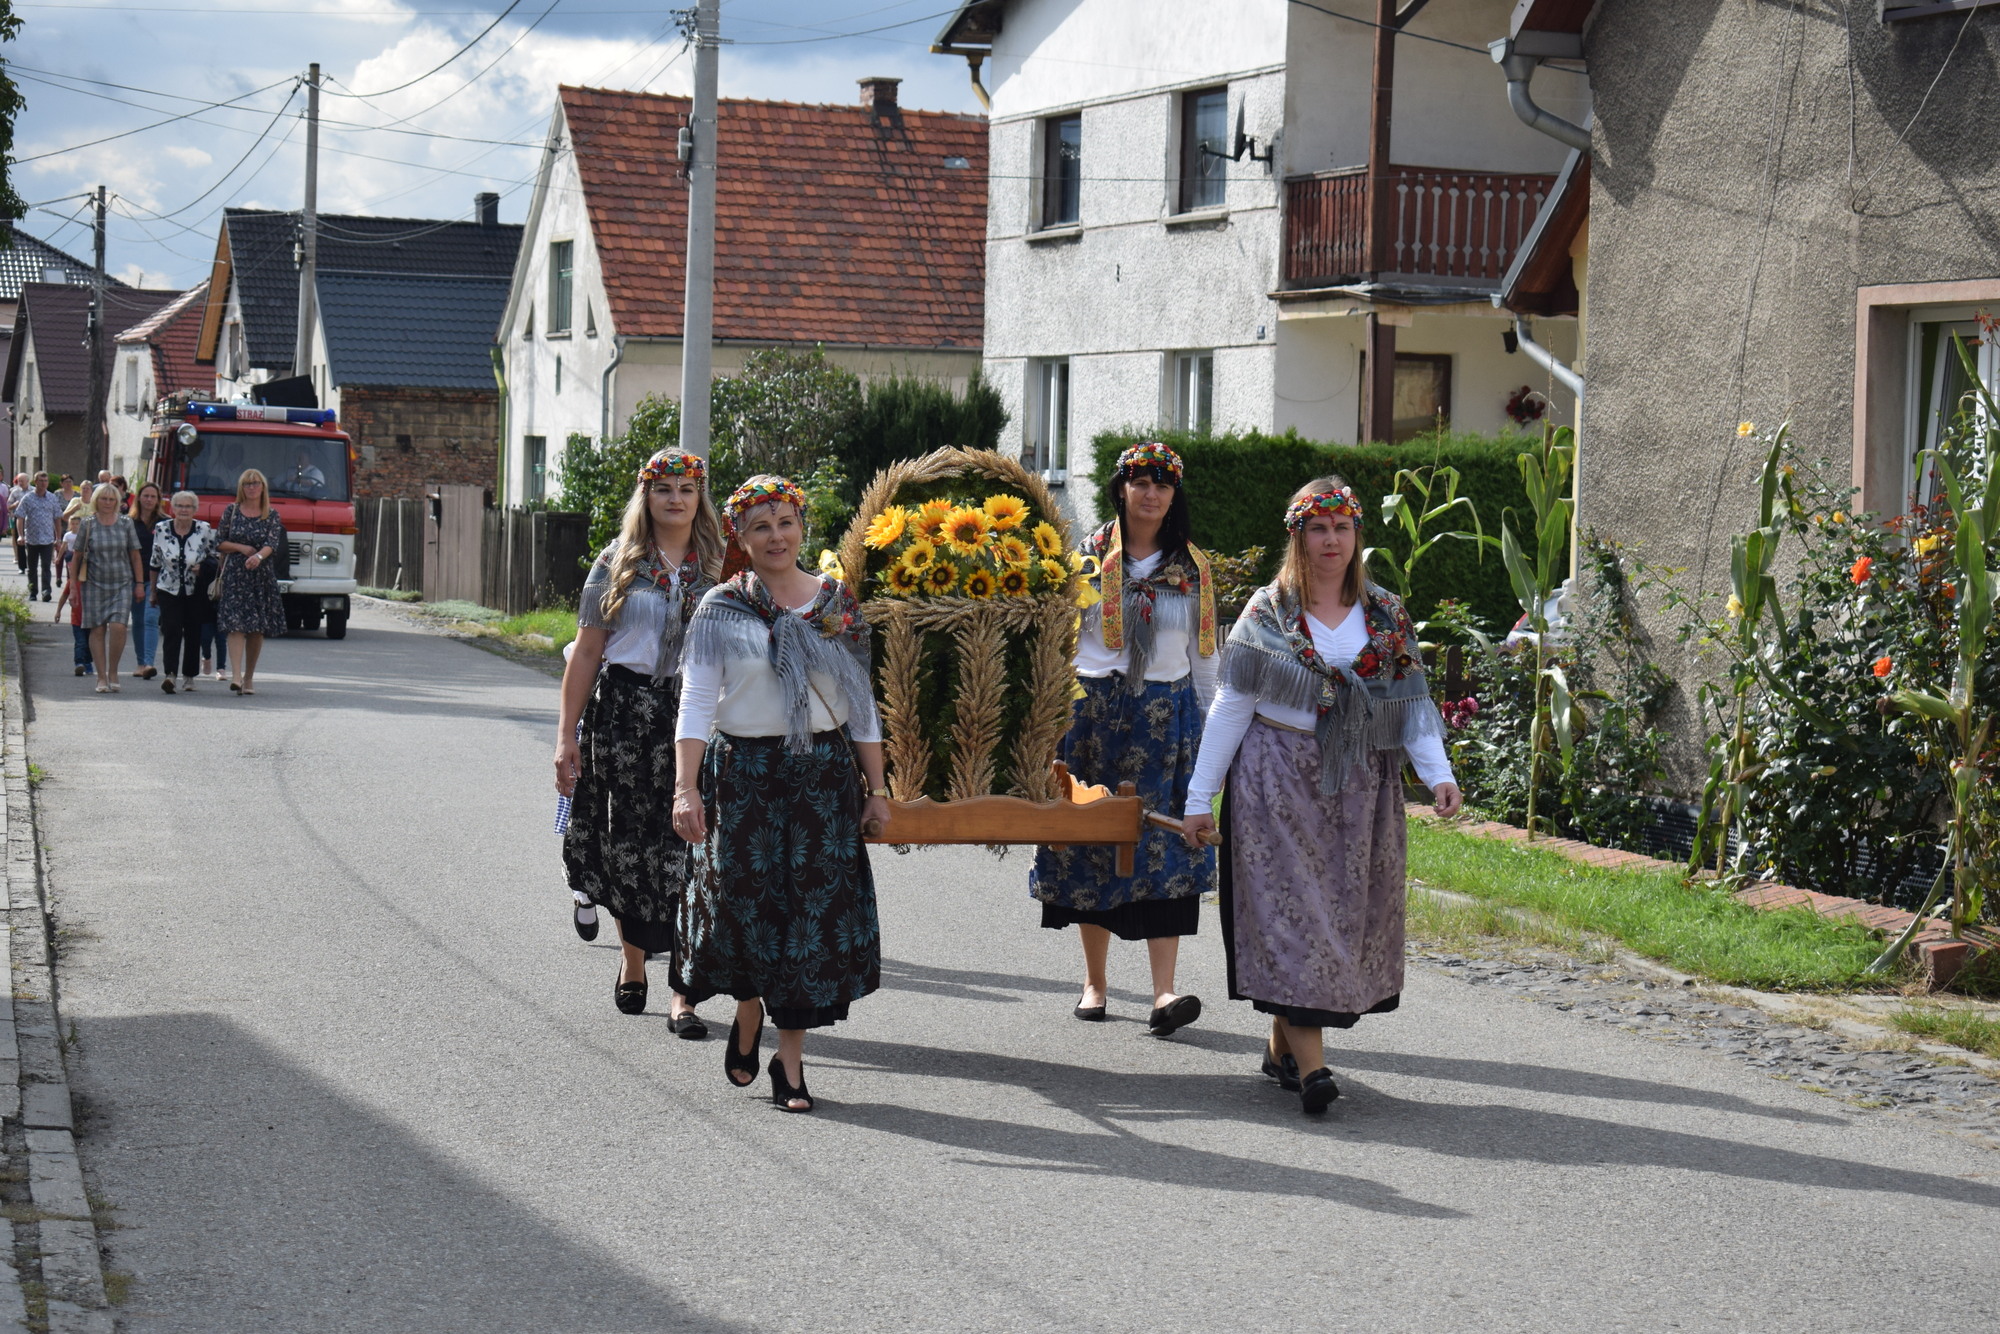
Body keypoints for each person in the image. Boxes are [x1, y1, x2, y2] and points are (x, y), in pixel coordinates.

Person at [1180, 479, 1463, 1115]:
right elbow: (1231, 707)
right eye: (1318, 528)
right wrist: (1202, 796)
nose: (1331, 540)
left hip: (1361, 789)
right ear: (1298, 537)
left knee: (1337, 921)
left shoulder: (1387, 616)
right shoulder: (1267, 612)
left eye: (1341, 527)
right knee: (1296, 919)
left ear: (1357, 535)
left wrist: (1438, 774)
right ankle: (1314, 1071)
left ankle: (1283, 1043)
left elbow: (1412, 705)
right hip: (1276, 783)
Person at [671, 476, 891, 1113]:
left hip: (820, 779)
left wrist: (877, 789)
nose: (776, 536)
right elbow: (694, 704)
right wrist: (685, 789)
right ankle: (747, 1010)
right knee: (742, 910)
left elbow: (862, 708)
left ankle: (789, 1063)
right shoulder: (721, 607)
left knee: (809, 926)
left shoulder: (835, 603)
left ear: (803, 528)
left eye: (786, 522)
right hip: (742, 775)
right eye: (761, 525)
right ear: (740, 535)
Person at [1030, 441, 1218, 1037]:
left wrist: (1212, 742)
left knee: (1164, 848)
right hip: (1089, 719)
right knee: (1090, 841)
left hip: (1165, 722)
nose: (1152, 493)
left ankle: (1164, 993)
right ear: (1121, 488)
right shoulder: (1082, 558)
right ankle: (1096, 983)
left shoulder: (1191, 571)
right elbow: (1055, 643)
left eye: (1163, 484)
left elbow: (1204, 664)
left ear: (1173, 495)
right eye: (1141, 482)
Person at [554, 447, 724, 1031]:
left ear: (700, 496)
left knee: (688, 849)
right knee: (628, 844)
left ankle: (685, 991)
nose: (675, 498)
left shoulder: (721, 568)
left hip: (695, 716)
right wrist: (566, 736)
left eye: (686, 488)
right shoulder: (617, 563)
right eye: (663, 488)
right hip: (624, 716)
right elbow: (588, 655)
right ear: (645, 497)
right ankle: (632, 961)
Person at [213, 468, 287, 695]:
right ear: (241, 488)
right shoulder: (232, 511)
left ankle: (249, 677)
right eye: (247, 484)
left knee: (256, 629)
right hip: (235, 575)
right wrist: (241, 548)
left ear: (263, 487)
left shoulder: (271, 514)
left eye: (256, 483)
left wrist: (257, 556)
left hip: (260, 576)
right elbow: (219, 542)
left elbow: (272, 543)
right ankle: (235, 675)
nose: (252, 487)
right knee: (235, 625)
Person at [71, 483, 144, 693]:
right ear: (96, 500)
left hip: (122, 582)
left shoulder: (125, 523)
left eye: (112, 499)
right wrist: (74, 589)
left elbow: (135, 555)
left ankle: (113, 671)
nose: (108, 503)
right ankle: (101, 677)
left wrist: (139, 584)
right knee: (97, 628)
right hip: (93, 583)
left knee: (119, 626)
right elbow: (76, 557)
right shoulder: (88, 524)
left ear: (118, 502)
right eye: (104, 499)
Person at [152, 491, 214, 694]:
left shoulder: (203, 529)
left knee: (193, 632)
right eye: (180, 506)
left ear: (195, 510)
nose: (184, 510)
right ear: (173, 508)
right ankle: (170, 674)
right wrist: (152, 591)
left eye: (188, 506)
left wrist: (202, 568)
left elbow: (213, 557)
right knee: (171, 630)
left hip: (195, 589)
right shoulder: (161, 528)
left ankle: (189, 676)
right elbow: (155, 562)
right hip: (167, 587)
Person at [127, 484, 166, 680]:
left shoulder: (165, 523)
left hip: (157, 578)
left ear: (158, 499)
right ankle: (140, 662)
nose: (149, 499)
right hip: (134, 578)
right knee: (139, 620)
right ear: (139, 498)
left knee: (151, 618)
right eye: (146, 496)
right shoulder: (129, 522)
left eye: (153, 496)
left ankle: (149, 663)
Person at [51, 517, 91, 677]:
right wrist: (58, 611)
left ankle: (88, 663)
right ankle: (79, 663)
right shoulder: (72, 582)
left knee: (89, 643)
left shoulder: (91, 581)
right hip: (76, 619)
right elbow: (63, 597)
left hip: (90, 619)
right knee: (80, 643)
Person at [18, 474, 61, 601]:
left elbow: (57, 518)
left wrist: (58, 538)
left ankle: (46, 591)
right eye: (41, 481)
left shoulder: (52, 498)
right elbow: (20, 517)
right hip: (32, 538)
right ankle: (33, 591)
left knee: (46, 566)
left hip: (47, 539)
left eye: (45, 481)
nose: (43, 483)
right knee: (32, 568)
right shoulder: (28, 498)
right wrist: (21, 535)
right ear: (35, 482)